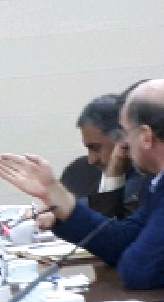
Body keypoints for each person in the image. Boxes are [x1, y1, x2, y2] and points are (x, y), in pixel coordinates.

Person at [0, 79, 164, 289]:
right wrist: (58, 198)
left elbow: (140, 270)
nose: (123, 143)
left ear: (145, 136)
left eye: (126, 132)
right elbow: (124, 238)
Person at [60, 91, 145, 219]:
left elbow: (110, 226)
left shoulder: (147, 181)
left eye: (95, 148)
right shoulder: (77, 171)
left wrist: (113, 175)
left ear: (123, 139)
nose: (91, 160)